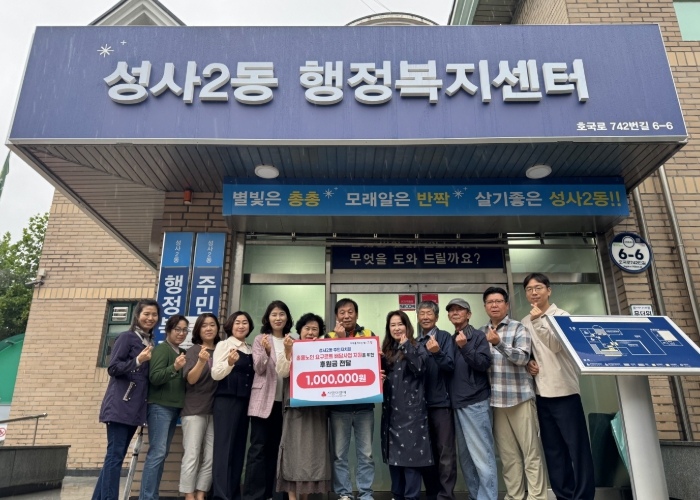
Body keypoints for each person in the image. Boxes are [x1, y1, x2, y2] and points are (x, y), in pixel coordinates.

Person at [521, 273, 595, 500]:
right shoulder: (525, 321)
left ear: (549, 290)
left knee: (577, 449)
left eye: (538, 287)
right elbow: (529, 353)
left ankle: (583, 496)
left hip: (565, 391)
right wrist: (529, 363)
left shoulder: (562, 316)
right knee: (554, 451)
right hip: (541, 394)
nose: (534, 292)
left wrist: (538, 321)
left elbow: (555, 345)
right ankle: (564, 496)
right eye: (529, 289)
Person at [481, 287, 546, 500]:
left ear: (507, 305)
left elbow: (522, 358)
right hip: (496, 402)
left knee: (531, 453)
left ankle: (537, 497)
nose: (494, 305)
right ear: (485, 307)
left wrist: (498, 343)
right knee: (508, 457)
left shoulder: (519, 328)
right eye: (490, 302)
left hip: (520, 398)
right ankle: (514, 496)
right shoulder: (481, 332)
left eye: (499, 301)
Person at [92, 299, 159, 500]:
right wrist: (138, 360)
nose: (150, 318)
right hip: (120, 405)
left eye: (154, 314)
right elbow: (113, 368)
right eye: (146, 313)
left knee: (116, 457)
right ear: (137, 315)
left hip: (134, 408)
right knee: (115, 456)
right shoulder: (127, 337)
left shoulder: (149, 341)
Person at [277, 313, 332, 500]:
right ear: (299, 331)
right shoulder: (291, 346)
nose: (310, 332)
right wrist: (287, 351)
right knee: (293, 451)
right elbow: (282, 371)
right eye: (307, 328)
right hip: (295, 409)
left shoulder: (325, 350)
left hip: (317, 410)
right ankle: (292, 497)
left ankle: (305, 497)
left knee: (312, 454)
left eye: (314, 329)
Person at [445, 298, 496, 500]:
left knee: (483, 457)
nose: (455, 313)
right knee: (466, 459)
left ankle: (488, 497)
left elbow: (484, 363)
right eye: (452, 310)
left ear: (469, 314)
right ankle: (476, 496)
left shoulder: (477, 336)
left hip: (475, 402)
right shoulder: (449, 339)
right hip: (457, 404)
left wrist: (465, 347)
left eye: (460, 309)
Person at [243, 300, 294, 500]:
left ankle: (272, 494)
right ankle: (254, 495)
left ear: (287, 317)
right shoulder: (260, 339)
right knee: (258, 449)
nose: (278, 318)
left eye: (282, 314)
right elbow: (259, 368)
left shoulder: (293, 340)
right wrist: (266, 351)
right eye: (274, 314)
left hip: (284, 404)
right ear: (268, 318)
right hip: (263, 402)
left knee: (276, 449)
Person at [381, 310, 433, 500]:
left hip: (412, 414)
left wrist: (406, 347)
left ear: (407, 326)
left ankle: (411, 497)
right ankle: (397, 495)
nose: (396, 328)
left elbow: (420, 368)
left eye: (400, 324)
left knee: (412, 460)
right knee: (394, 460)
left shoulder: (417, 346)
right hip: (392, 412)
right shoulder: (387, 350)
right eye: (392, 325)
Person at [327, 298, 376, 500]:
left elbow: (373, 363)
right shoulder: (328, 337)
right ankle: (344, 493)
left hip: (364, 406)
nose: (346, 316)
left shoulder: (369, 335)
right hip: (339, 408)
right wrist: (340, 340)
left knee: (367, 454)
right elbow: (328, 365)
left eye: (350, 312)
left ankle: (365, 493)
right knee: (339, 455)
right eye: (342, 312)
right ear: (336, 316)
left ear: (357, 314)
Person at [140, 315, 189, 500]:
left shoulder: (182, 352)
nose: (181, 333)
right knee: (157, 453)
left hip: (174, 408)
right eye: (177, 329)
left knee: (162, 454)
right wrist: (174, 368)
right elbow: (155, 377)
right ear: (168, 330)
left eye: (184, 330)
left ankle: (152, 495)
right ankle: (147, 497)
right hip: (159, 408)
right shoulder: (162, 349)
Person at [210, 311, 255, 500]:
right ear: (230, 325)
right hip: (226, 401)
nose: (241, 326)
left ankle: (234, 494)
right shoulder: (224, 345)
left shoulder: (250, 348)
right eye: (237, 322)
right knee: (224, 449)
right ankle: (221, 495)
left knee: (238, 450)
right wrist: (229, 362)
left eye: (245, 322)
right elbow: (215, 373)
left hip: (245, 402)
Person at [415, 301, 456, 500]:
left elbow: (450, 366)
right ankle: (432, 493)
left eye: (429, 313)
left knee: (445, 452)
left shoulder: (444, 337)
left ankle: (446, 495)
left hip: (441, 404)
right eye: (422, 313)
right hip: (420, 406)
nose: (425, 317)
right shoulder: (415, 341)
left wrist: (437, 352)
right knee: (427, 452)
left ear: (436, 317)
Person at [180, 313, 221, 500]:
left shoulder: (221, 350)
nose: (209, 328)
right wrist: (201, 361)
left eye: (212, 325)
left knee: (212, 456)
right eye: (204, 325)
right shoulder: (193, 351)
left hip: (216, 411)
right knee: (192, 454)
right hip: (194, 410)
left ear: (218, 328)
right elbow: (191, 379)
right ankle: (189, 495)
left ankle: (201, 493)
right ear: (198, 329)